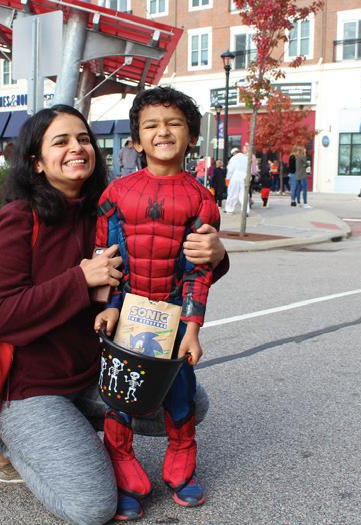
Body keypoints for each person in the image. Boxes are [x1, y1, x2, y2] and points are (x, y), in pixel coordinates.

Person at [0, 104, 228, 525]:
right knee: (92, 506)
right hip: (33, 388)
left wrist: (215, 254)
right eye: (61, 142)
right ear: (36, 162)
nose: (77, 148)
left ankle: (76, 427)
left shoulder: (109, 206)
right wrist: (80, 279)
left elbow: (164, 270)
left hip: (96, 371)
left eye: (83, 139)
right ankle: (7, 438)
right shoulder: (18, 219)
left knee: (192, 403)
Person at [93, 87, 221, 520]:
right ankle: (122, 471)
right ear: (136, 139)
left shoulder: (202, 200)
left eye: (174, 124)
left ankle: (182, 467)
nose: (162, 132)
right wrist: (109, 304)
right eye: (151, 125)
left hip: (174, 313)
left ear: (191, 136)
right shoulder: (115, 194)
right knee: (120, 394)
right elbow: (106, 255)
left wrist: (193, 329)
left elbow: (198, 272)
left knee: (180, 394)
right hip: (126, 312)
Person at [224, 144, 249, 214]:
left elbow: (230, 170)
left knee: (232, 193)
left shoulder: (233, 158)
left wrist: (227, 178)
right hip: (245, 177)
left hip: (235, 176)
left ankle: (229, 209)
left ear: (233, 153)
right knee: (244, 194)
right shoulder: (246, 157)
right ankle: (245, 211)